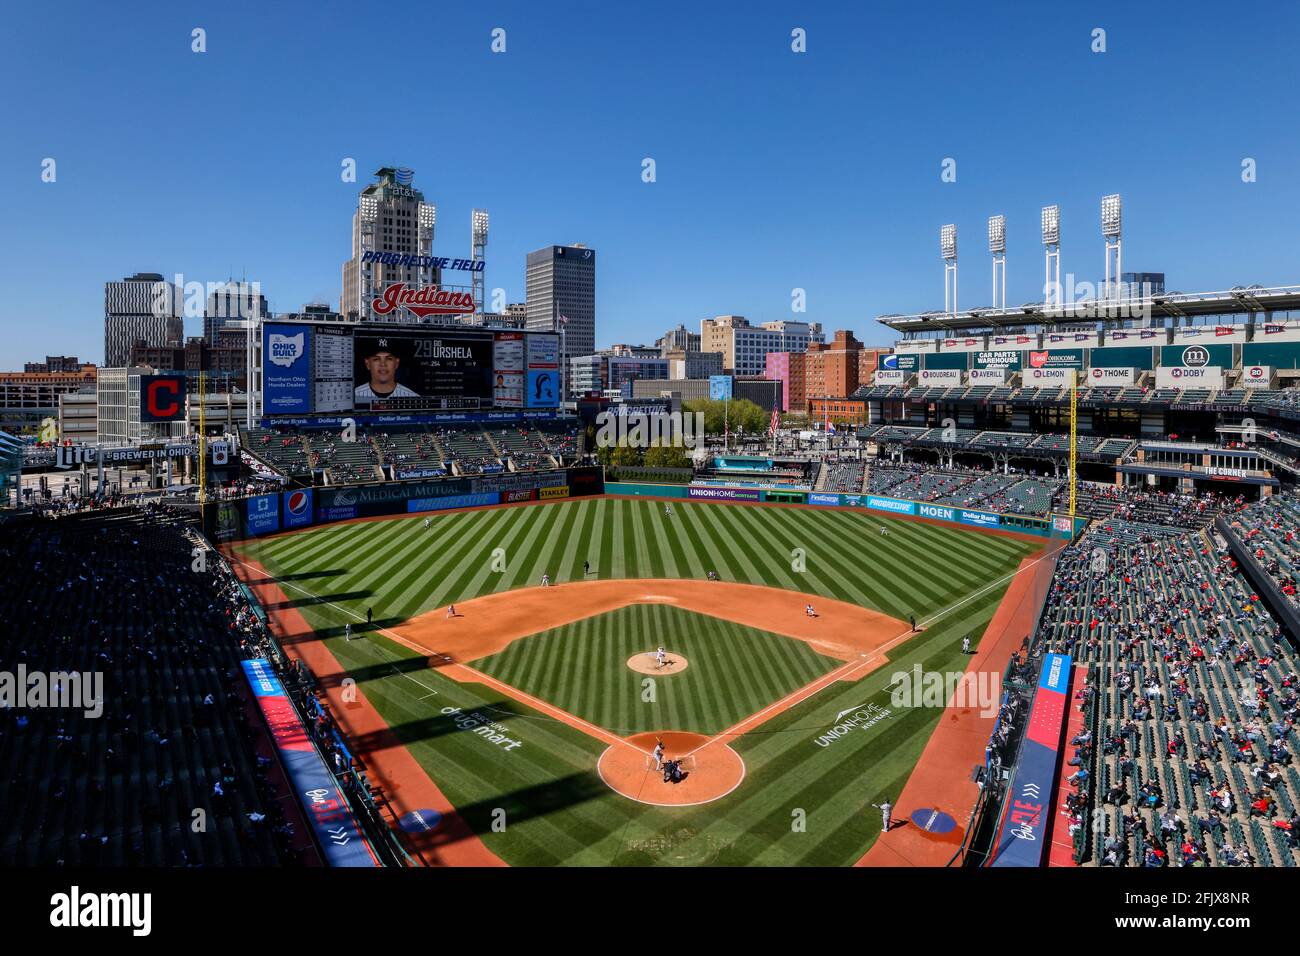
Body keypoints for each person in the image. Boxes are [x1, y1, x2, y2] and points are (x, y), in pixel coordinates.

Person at [354, 339, 420, 403]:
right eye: (376, 359)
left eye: (389, 359)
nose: (383, 364)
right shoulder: (353, 396)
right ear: (367, 364)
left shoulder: (414, 398)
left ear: (396, 363)